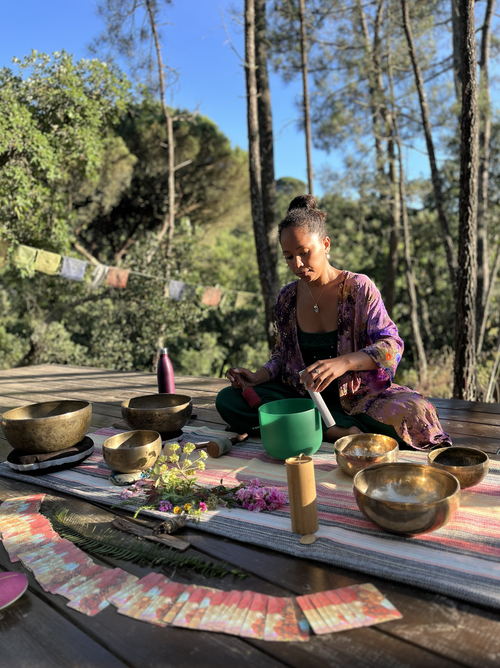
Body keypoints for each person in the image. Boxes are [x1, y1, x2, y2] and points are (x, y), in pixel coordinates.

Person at [216, 195, 451, 451]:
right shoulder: (287, 297)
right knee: (228, 400)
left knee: (416, 412)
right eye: (288, 257)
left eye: (304, 253)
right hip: (302, 397)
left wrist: (343, 363)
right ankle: (335, 431)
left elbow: (391, 345)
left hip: (356, 399)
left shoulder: (358, 288)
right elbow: (282, 355)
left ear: (325, 245)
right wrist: (256, 376)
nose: (297, 264)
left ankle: (317, 427)